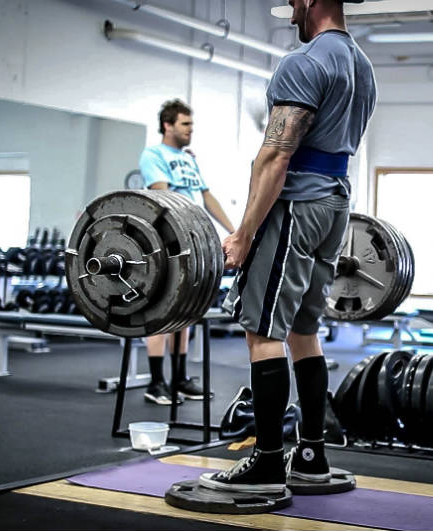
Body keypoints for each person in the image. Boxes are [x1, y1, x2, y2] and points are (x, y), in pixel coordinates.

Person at [199, 0, 376, 494]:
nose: (292, 7)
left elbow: (277, 155)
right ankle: (312, 456)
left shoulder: (306, 61)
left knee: (262, 329)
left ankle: (269, 460)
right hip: (334, 205)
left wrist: (244, 233)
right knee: (303, 327)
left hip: (296, 204)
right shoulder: (362, 67)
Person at [139, 98, 235, 405]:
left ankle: (179, 379)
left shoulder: (190, 159)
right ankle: (156, 383)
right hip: (168, 242)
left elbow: (206, 196)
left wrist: (235, 231)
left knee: (187, 312)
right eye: (185, 124)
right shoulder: (153, 155)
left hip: (195, 241)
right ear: (168, 125)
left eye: (191, 124)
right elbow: (163, 197)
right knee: (161, 312)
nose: (190, 130)